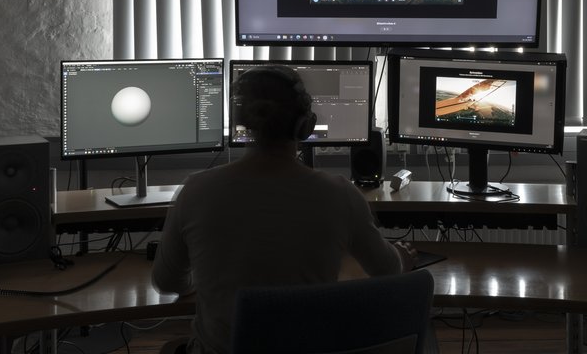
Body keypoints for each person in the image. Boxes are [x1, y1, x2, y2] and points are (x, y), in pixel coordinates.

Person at [151, 64, 417, 354]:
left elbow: (166, 281)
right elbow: (387, 270)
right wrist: (402, 255)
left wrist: (203, 279)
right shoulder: (341, 194)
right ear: (306, 124)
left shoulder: (196, 190)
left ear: (241, 120)